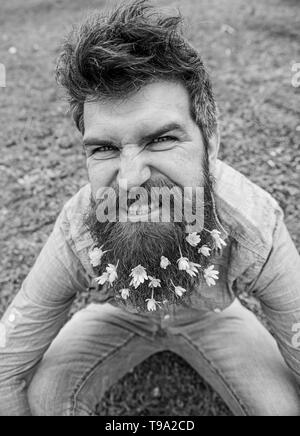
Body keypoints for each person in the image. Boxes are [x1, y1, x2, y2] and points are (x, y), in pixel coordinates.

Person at [0, 0, 300, 416]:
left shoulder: (255, 225)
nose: (128, 181)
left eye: (161, 139)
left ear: (210, 141)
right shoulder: (79, 227)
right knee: (46, 399)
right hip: (116, 317)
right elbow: (6, 365)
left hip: (214, 319)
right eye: (104, 148)